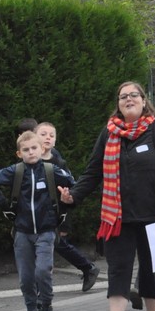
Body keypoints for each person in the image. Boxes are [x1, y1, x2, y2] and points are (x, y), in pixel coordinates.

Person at [59, 81, 155, 311]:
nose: (128, 99)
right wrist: (73, 196)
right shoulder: (109, 134)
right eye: (123, 96)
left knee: (151, 272)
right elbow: (93, 172)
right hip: (117, 217)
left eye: (133, 95)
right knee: (118, 271)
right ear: (118, 103)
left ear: (143, 99)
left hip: (153, 217)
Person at [0, 131, 75, 311]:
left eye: (34, 148)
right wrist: (3, 204)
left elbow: (74, 186)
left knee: (42, 271)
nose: (31, 152)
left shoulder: (52, 170)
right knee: (26, 277)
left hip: (46, 230)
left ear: (42, 149)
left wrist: (67, 198)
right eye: (25, 150)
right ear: (19, 153)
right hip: (23, 232)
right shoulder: (16, 171)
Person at [34, 121, 101, 292]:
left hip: (54, 213)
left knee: (56, 242)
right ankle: (88, 268)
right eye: (43, 134)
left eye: (51, 135)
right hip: (35, 214)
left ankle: (87, 268)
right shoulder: (30, 159)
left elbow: (69, 192)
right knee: (51, 244)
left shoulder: (58, 163)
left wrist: (64, 222)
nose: (47, 138)